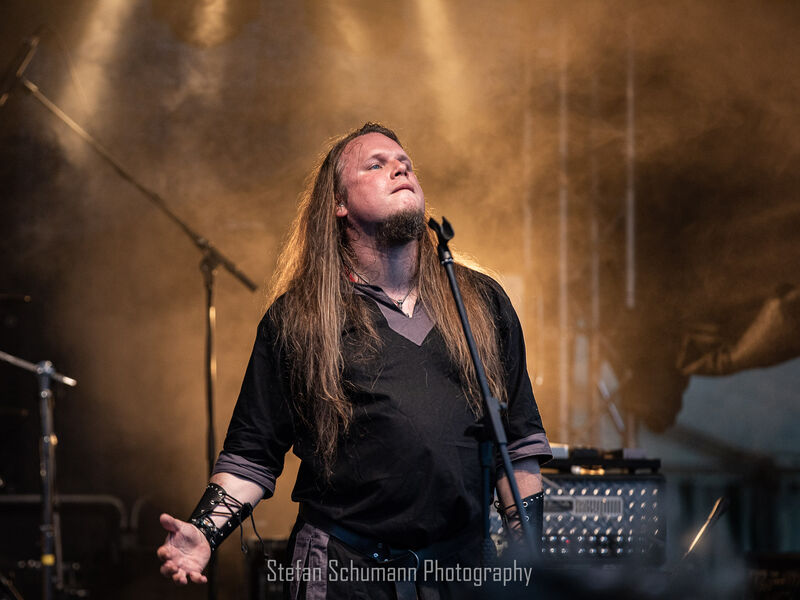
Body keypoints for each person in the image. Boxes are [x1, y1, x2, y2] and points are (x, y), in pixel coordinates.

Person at [157, 123, 551, 599]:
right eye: (376, 164)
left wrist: (529, 554)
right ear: (339, 204)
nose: (400, 168)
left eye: (405, 164)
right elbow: (251, 457)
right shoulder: (300, 317)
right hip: (345, 572)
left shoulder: (480, 302)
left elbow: (519, 447)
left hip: (459, 572)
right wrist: (204, 531)